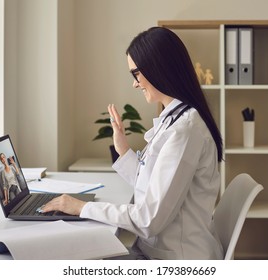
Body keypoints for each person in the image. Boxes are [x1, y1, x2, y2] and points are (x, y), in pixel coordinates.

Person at [42, 27, 224, 260]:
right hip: (161, 249)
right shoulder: (176, 119)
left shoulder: (184, 131)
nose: (135, 84)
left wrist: (82, 208)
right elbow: (151, 184)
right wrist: (123, 149)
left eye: (136, 74)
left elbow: (148, 220)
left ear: (158, 68)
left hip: (176, 258)